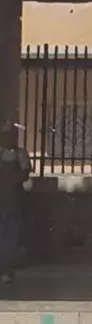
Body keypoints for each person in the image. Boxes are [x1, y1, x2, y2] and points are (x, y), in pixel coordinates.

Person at [0, 122, 31, 284]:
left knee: (10, 236)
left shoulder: (20, 154)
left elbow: (25, 174)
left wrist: (11, 180)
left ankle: (6, 270)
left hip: (12, 200)